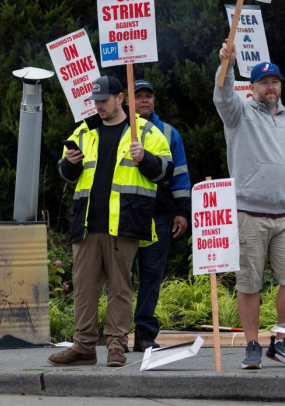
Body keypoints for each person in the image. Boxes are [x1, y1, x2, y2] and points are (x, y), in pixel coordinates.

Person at [213, 45, 285, 370]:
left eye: (275, 82)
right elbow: (222, 95)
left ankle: (281, 342)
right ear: (253, 87)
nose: (271, 87)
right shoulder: (238, 113)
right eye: (264, 82)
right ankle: (251, 345)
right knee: (249, 282)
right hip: (249, 213)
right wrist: (227, 65)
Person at [48, 75, 173, 368]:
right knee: (84, 288)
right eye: (95, 101)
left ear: (120, 99)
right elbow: (65, 173)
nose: (99, 106)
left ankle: (116, 346)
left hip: (125, 222)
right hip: (87, 224)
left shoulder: (145, 131)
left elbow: (166, 172)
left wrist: (146, 158)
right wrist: (69, 163)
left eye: (104, 100)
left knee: (120, 288)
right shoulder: (83, 131)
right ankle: (83, 347)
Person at [131, 80, 191, 351]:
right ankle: (117, 335)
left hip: (159, 214)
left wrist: (181, 211)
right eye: (138, 96)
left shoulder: (168, 132)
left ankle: (144, 334)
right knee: (121, 277)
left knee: (152, 275)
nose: (144, 100)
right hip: (126, 215)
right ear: (127, 100)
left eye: (148, 96)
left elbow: (180, 174)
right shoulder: (119, 128)